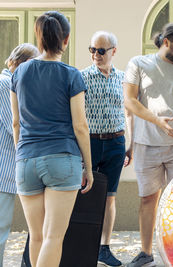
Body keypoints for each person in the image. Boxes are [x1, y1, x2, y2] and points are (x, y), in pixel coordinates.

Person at [10, 11, 93, 267]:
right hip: (62, 159)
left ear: (39, 37)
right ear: (65, 40)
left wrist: (22, 154)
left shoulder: (20, 72)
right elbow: (80, 126)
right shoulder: (71, 74)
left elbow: (16, 123)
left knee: (36, 236)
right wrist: (88, 167)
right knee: (53, 237)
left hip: (26, 160)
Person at [123, 23, 173, 267]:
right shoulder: (138, 64)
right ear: (166, 42)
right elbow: (129, 101)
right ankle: (146, 254)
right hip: (146, 144)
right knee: (148, 198)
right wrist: (156, 120)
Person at [81, 31, 133, 267]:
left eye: (101, 50)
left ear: (114, 51)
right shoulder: (81, 78)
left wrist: (130, 145)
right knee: (84, 194)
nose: (96, 55)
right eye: (92, 49)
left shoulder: (123, 79)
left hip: (116, 143)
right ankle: (82, 247)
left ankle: (104, 248)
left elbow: (129, 113)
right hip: (90, 142)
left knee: (110, 197)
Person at [0, 43, 39, 267]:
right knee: (1, 229)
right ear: (21, 64)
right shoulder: (6, 84)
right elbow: (14, 126)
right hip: (3, 170)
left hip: (7, 170)